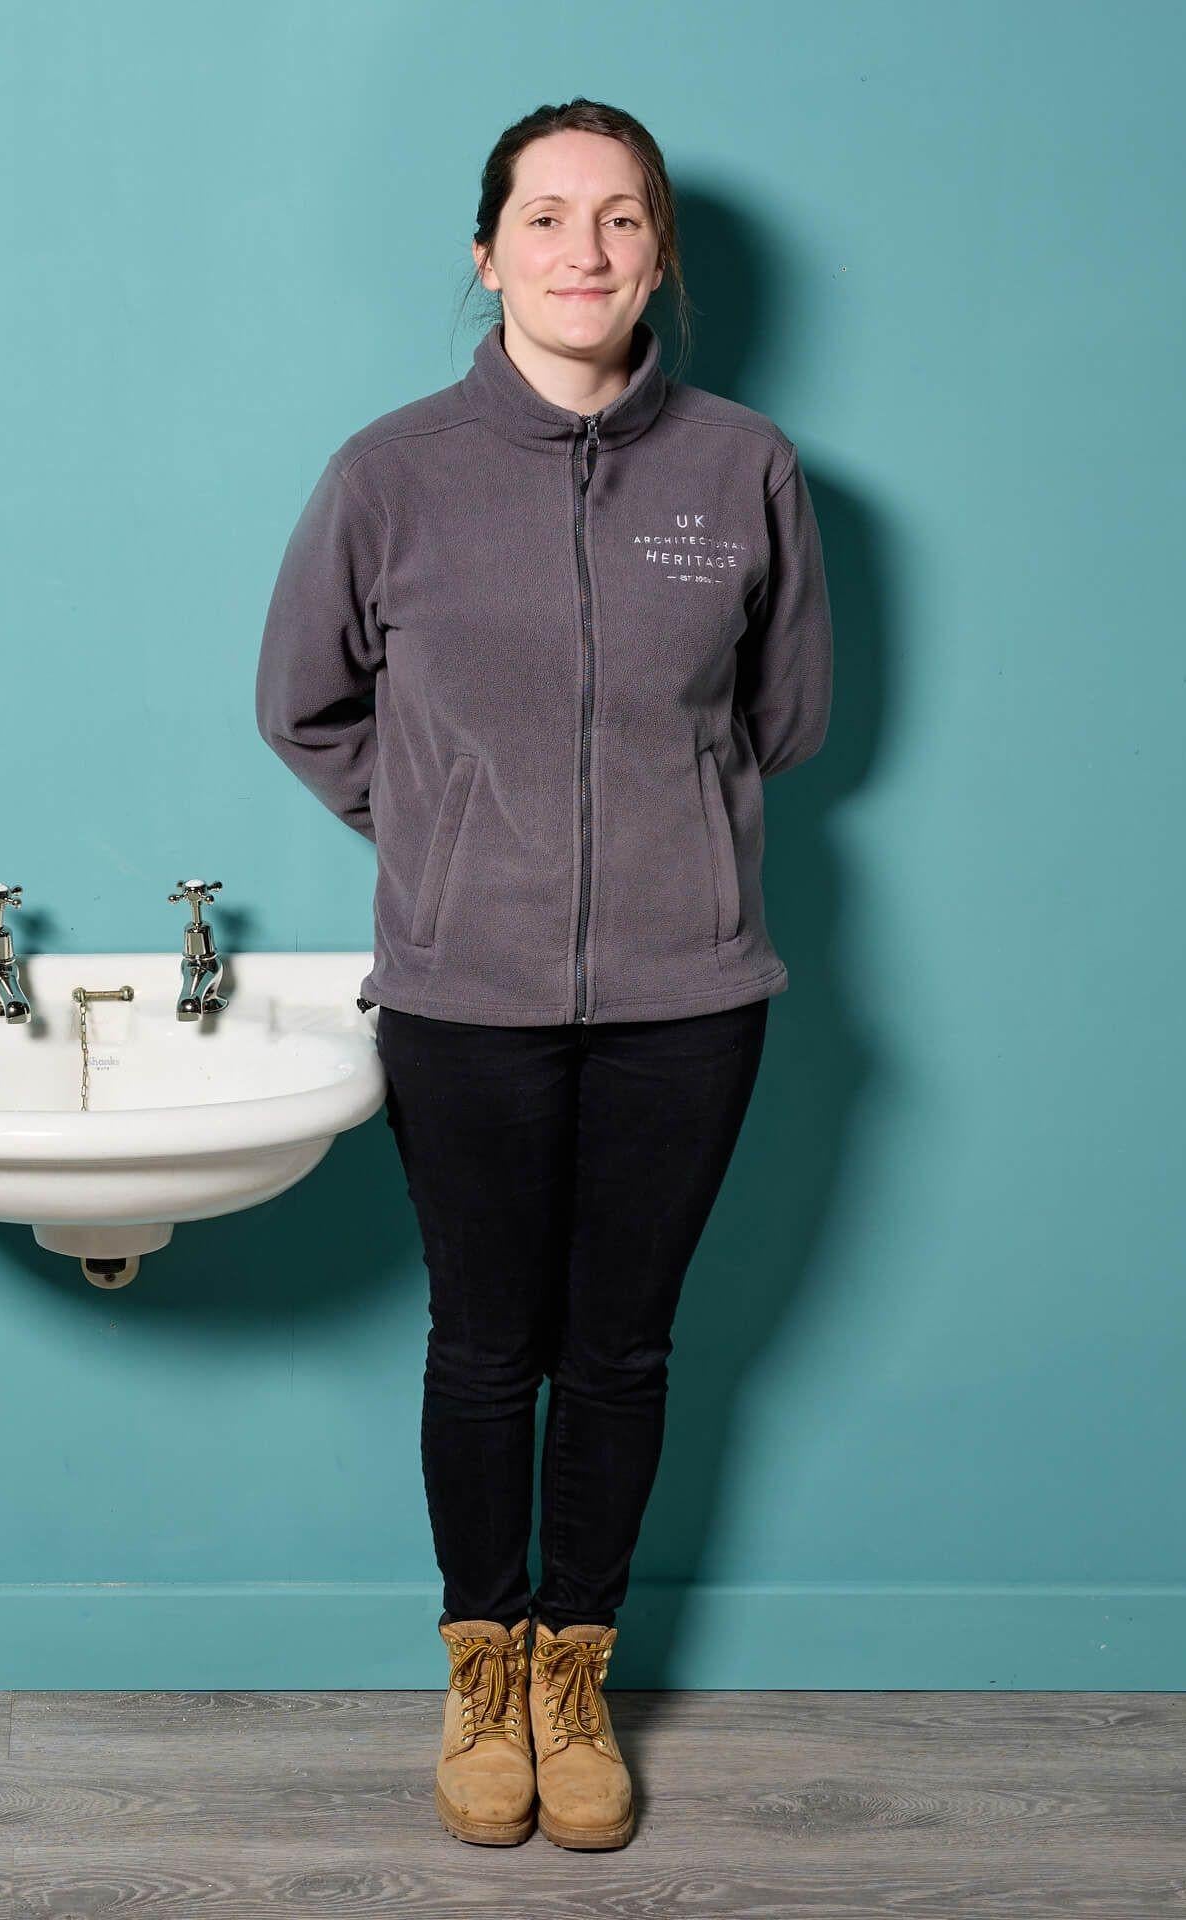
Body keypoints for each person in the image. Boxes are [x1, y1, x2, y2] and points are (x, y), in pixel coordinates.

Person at [253, 98, 835, 1851]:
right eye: (549, 218)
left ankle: (578, 1670)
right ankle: (481, 1667)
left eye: (623, 222)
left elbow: (781, 722)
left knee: (624, 1347)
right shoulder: (390, 474)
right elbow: (307, 704)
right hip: (465, 997)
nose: (585, 254)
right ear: (488, 252)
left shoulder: (746, 469)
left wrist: (657, 843)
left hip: (689, 996)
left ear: (659, 255)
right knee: (486, 1346)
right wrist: (448, 832)